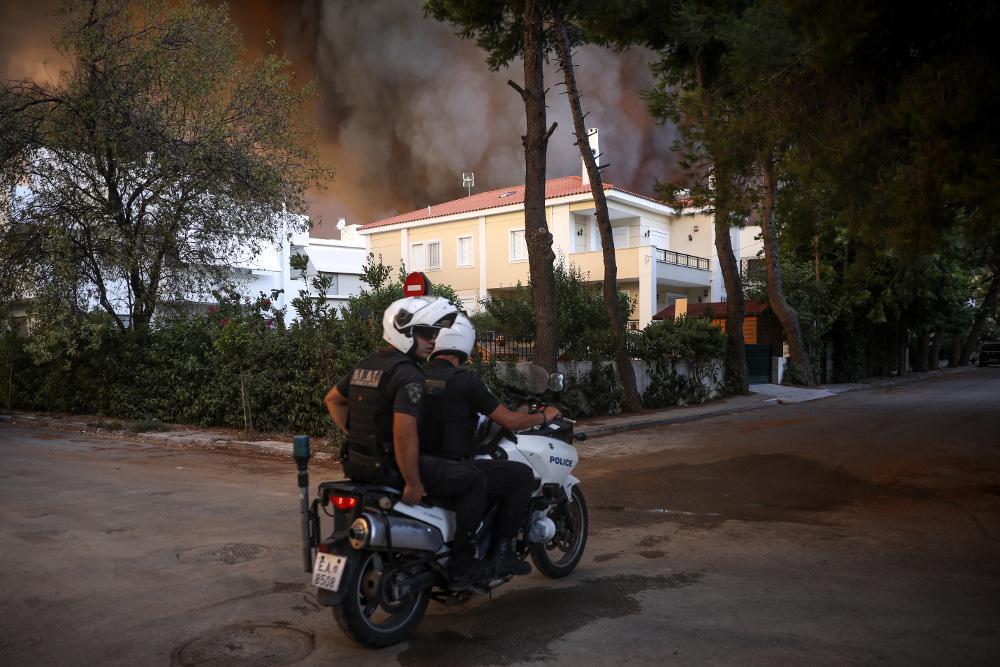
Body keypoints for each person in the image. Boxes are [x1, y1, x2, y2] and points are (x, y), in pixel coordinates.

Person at [324, 296, 489, 584]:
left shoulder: (367, 365)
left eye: (433, 334)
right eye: (425, 333)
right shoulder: (408, 374)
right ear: (403, 332)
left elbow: (333, 399)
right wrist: (413, 483)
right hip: (391, 467)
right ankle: (462, 562)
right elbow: (403, 433)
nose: (431, 340)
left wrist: (358, 436)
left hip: (359, 464)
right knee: (475, 479)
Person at [420, 313, 562, 577]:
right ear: (464, 344)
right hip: (450, 468)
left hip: (417, 465)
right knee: (521, 476)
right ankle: (503, 553)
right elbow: (510, 421)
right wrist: (544, 416)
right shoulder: (465, 382)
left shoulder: (413, 375)